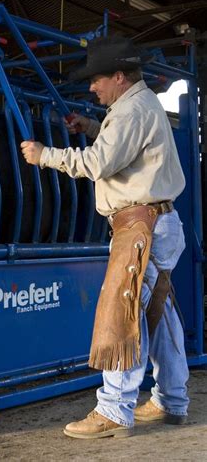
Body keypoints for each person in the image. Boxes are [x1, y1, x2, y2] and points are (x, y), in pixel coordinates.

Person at [21, 35, 189, 439]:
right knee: (159, 316)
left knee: (124, 314)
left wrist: (46, 155)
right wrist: (92, 126)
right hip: (158, 223)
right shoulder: (139, 105)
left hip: (139, 226)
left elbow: (98, 163)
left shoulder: (131, 110)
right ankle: (172, 400)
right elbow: (131, 151)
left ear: (118, 76)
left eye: (97, 80)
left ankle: (113, 409)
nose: (92, 87)